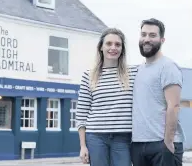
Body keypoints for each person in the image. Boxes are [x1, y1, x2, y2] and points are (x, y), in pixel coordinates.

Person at [76, 28, 138, 166]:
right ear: (101, 47)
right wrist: (83, 146)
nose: (113, 47)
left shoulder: (133, 73)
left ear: (122, 49)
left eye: (118, 44)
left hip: (123, 138)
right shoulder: (89, 75)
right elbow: (81, 114)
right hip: (95, 137)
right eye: (109, 43)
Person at [131, 18, 185, 166]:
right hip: (138, 144)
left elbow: (173, 106)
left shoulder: (168, 67)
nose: (146, 39)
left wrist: (168, 141)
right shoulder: (138, 70)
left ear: (162, 39)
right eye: (143, 34)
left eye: (152, 35)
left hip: (162, 144)